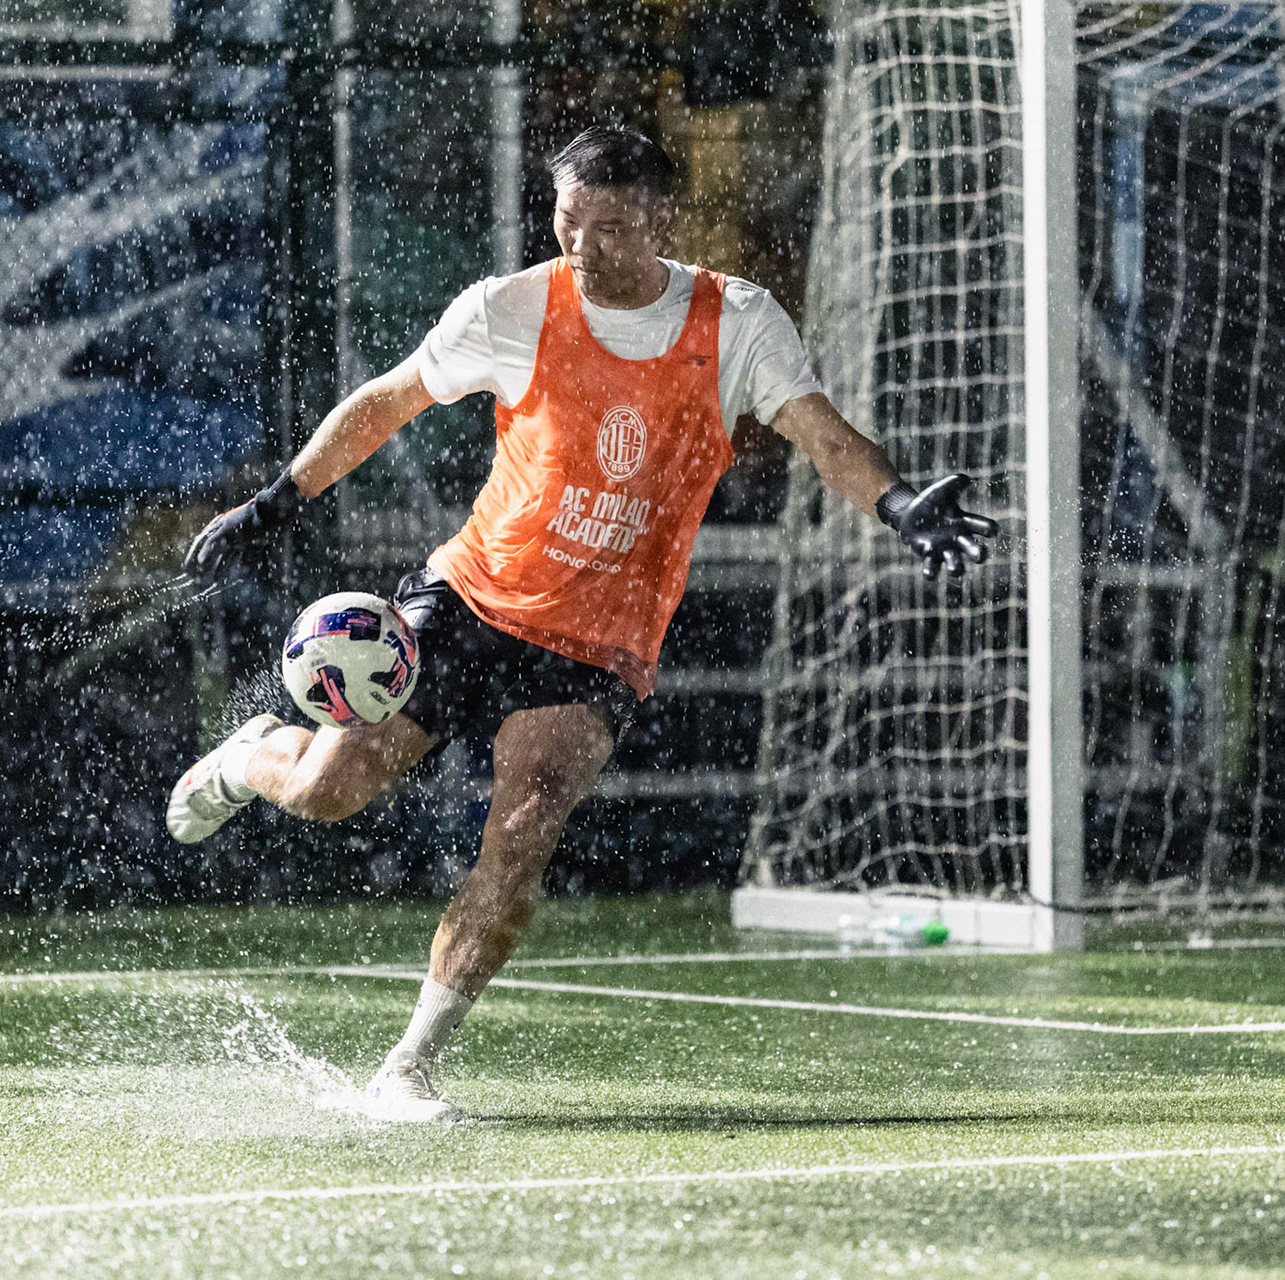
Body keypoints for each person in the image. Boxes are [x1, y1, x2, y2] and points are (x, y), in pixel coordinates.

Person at [166, 126, 996, 1123]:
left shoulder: (737, 322)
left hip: (598, 647)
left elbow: (821, 435)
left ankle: (409, 1067)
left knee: (519, 832)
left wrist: (899, 503)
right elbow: (389, 401)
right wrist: (276, 501)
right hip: (468, 600)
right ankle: (252, 754)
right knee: (328, 788)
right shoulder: (511, 309)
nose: (585, 248)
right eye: (568, 223)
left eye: (607, 227)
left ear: (661, 220)